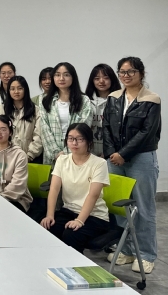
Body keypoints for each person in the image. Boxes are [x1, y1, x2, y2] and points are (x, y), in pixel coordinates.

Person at [103, 57, 160, 274]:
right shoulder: (114, 98)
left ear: (141, 73)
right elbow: (106, 127)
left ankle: (146, 254)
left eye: (131, 71)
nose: (126, 76)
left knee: (144, 208)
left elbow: (147, 132)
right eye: (122, 72)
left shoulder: (152, 99)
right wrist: (112, 153)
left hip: (141, 159)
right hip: (114, 159)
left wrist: (123, 154)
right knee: (120, 207)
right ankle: (126, 249)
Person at [41, 123, 110, 254]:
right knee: (48, 228)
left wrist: (79, 220)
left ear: (88, 141)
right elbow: (54, 189)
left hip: (95, 216)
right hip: (69, 210)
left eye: (79, 139)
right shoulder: (62, 160)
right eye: (70, 138)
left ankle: (73, 266)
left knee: (71, 235)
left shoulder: (99, 163)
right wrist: (50, 215)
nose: (74, 143)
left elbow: (93, 195)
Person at [39, 62, 92, 165]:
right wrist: (56, 153)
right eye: (57, 75)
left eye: (66, 75)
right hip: (52, 157)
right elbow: (44, 128)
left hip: (76, 153)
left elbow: (83, 127)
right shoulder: (45, 100)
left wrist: (68, 153)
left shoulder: (83, 100)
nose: (61, 78)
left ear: (73, 77)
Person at [2, 76, 42, 162]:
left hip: (29, 158)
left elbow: (38, 136)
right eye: (12, 89)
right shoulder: (2, 109)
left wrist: (29, 155)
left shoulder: (35, 110)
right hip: (6, 157)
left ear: (25, 90)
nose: (16, 92)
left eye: (20, 88)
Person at [85, 64, 121, 157]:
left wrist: (109, 152)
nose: (101, 81)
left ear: (112, 79)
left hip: (111, 153)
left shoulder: (119, 101)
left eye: (106, 78)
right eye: (97, 78)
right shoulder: (86, 102)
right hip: (88, 151)